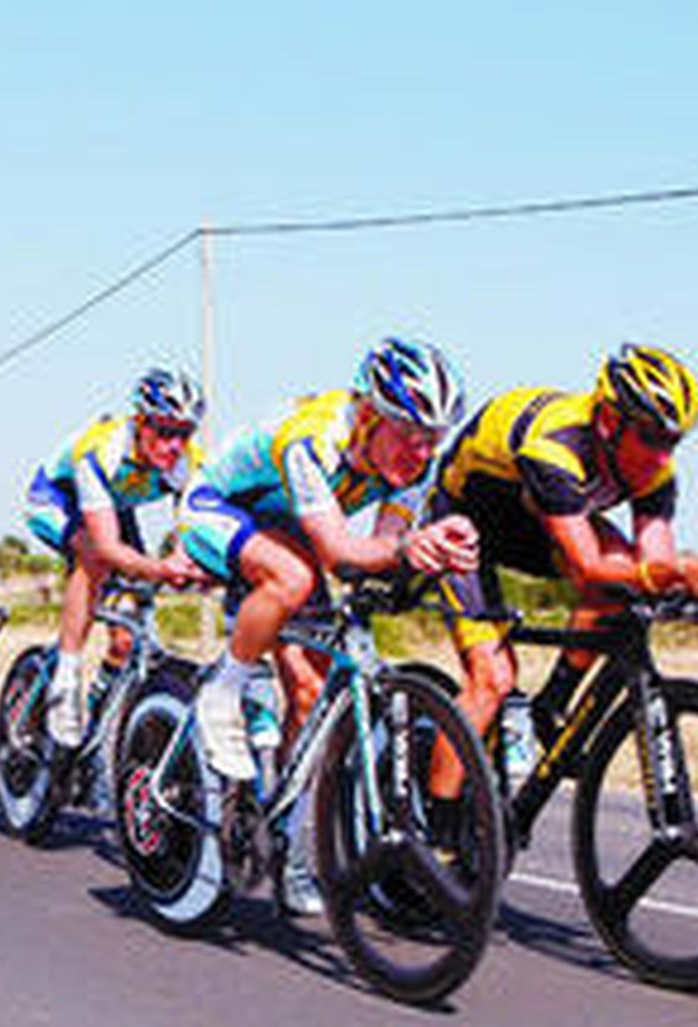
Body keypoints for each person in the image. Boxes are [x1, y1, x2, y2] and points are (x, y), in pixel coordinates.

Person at [176, 337, 478, 913]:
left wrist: (434, 552)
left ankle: (284, 847)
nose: (421, 452)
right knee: (290, 577)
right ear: (368, 415)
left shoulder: (416, 467)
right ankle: (224, 690)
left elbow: (387, 549)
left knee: (311, 692)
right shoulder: (315, 436)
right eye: (410, 435)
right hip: (217, 509)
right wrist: (411, 547)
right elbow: (342, 552)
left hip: (288, 533)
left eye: (432, 439)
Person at [424, 343, 698, 803]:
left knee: (625, 577)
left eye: (673, 441)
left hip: (533, 520)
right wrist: (684, 571)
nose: (663, 456)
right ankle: (439, 833)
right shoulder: (554, 448)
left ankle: (552, 706)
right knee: (493, 678)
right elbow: (590, 569)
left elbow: (650, 565)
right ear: (610, 421)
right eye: (652, 437)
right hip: (461, 525)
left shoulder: (655, 470)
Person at [24, 367, 208, 748]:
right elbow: (107, 547)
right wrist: (161, 568)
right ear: (140, 423)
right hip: (57, 501)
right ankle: (66, 673)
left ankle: (98, 721)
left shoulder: (186, 462)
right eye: (164, 430)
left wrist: (185, 560)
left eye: (184, 433)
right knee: (97, 558)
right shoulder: (103, 450)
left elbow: (191, 529)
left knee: (127, 639)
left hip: (115, 507)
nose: (174, 444)